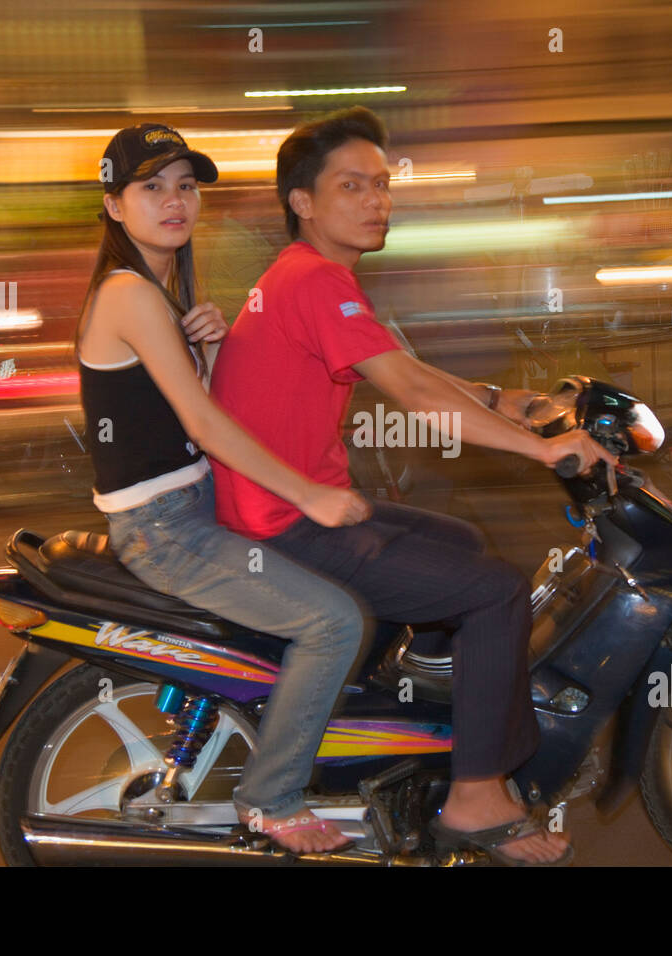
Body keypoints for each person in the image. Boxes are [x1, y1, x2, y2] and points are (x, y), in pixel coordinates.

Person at [204, 106, 615, 865]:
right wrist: (545, 450)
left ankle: (428, 707)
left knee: (459, 540)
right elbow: (418, 400)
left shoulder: (312, 278)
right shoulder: (318, 281)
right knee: (492, 591)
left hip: (287, 501)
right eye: (352, 186)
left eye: (383, 186)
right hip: (282, 521)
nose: (377, 201)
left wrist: (502, 400)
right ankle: (475, 793)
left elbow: (407, 369)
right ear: (302, 201)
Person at [75, 123, 376, 854]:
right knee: (336, 622)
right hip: (167, 528)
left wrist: (203, 347)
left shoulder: (156, 293)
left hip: (193, 507)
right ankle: (271, 796)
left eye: (186, 185)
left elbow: (175, 417)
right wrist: (308, 493)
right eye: (152, 187)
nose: (175, 202)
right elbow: (206, 427)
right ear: (115, 206)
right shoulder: (129, 295)